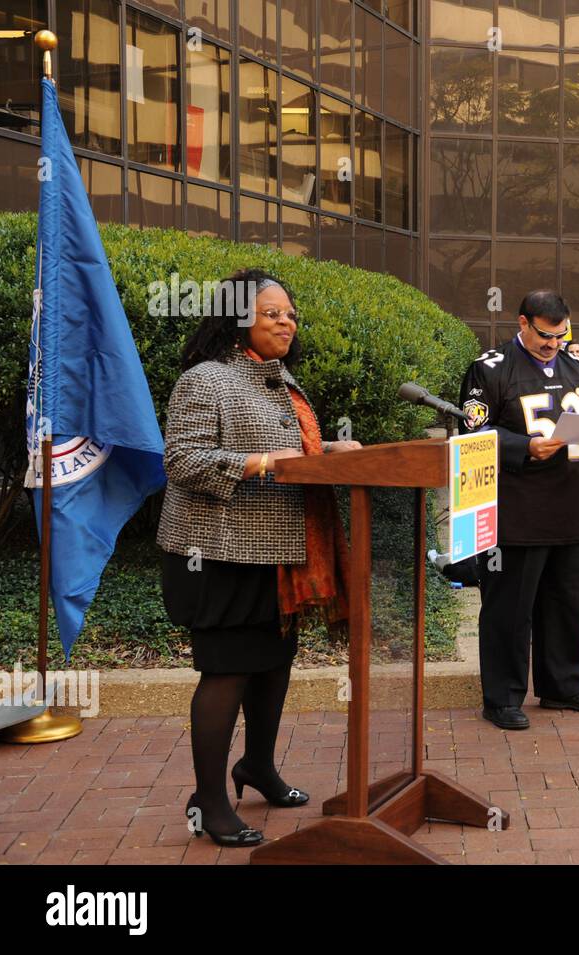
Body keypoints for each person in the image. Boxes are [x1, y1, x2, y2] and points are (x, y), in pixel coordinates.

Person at [158, 269, 359, 847]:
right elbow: (183, 460)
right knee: (226, 672)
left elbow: (292, 453)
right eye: (272, 313)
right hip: (218, 554)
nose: (286, 322)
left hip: (277, 555)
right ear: (237, 315)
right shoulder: (208, 379)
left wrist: (328, 454)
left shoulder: (281, 381)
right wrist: (259, 462)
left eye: (290, 314)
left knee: (273, 665)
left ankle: (258, 767)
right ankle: (211, 801)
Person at [459, 290, 579, 729]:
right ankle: (502, 697)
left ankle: (563, 685)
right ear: (523, 323)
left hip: (570, 502)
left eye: (560, 334)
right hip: (517, 509)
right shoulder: (489, 368)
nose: (553, 344)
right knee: (510, 607)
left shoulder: (577, 366)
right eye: (545, 335)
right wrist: (524, 446)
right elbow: (472, 435)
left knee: (565, 601)